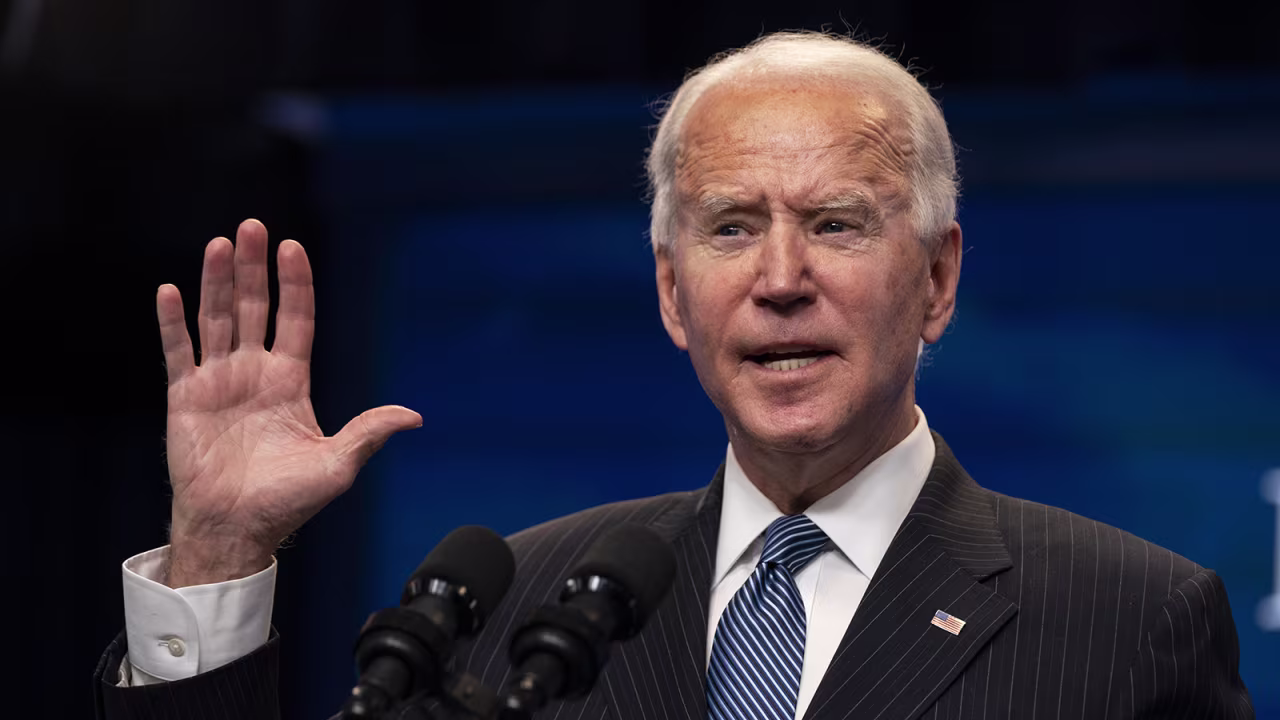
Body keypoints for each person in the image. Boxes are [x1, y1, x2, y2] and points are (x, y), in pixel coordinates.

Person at [93, 31, 1254, 720]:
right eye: (731, 226)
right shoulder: (505, 615)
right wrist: (219, 557)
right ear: (667, 292)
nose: (781, 277)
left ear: (938, 281)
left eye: (838, 224)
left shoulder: (1127, 622)